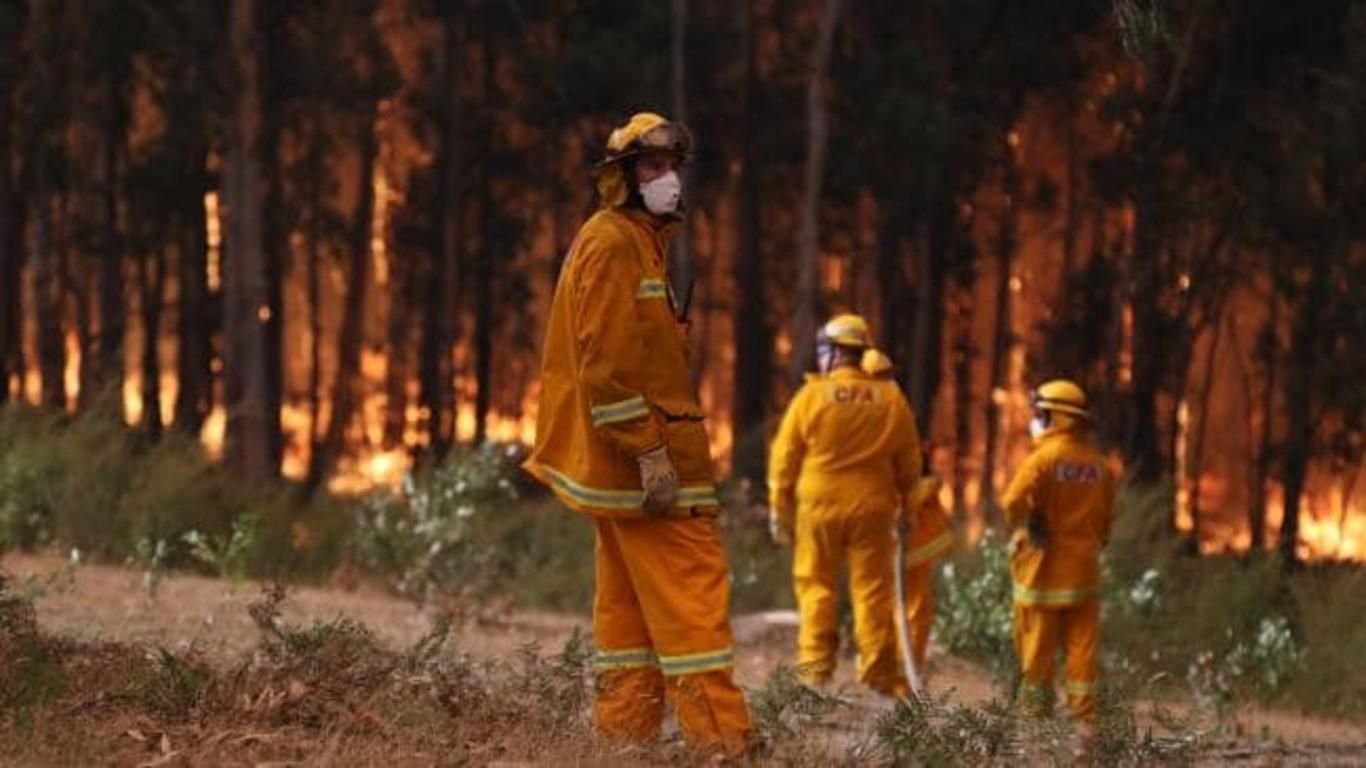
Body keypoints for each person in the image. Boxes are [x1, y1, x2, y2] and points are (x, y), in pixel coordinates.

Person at [522, 112, 752, 755]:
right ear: (620, 178)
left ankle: (624, 743)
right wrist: (650, 451)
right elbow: (607, 366)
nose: (668, 179)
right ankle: (727, 746)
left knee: (627, 614)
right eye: (652, 167)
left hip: (635, 468)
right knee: (693, 604)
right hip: (653, 467)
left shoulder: (638, 241)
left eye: (672, 166)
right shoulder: (611, 242)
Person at [767, 316, 923, 696]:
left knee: (816, 585)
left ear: (836, 353)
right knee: (871, 591)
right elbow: (909, 462)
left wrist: (779, 508)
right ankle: (877, 680)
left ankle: (815, 675)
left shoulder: (811, 397)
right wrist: (909, 508)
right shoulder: (890, 398)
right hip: (873, 507)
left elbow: (784, 458)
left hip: (818, 507)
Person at [1001, 379, 1115, 726]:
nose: (1036, 418)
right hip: (1084, 571)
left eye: (1041, 413)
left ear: (1057, 418)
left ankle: (1036, 723)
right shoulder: (1099, 465)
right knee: (1083, 651)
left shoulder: (1043, 460)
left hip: (1043, 571)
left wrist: (1030, 520)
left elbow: (1011, 504)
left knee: (1037, 652)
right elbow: (1107, 520)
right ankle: (1085, 724)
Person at [862, 349, 952, 673]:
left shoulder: (864, 415)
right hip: (895, 523)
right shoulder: (894, 411)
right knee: (905, 603)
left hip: (889, 525)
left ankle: (891, 668)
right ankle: (896, 668)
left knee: (887, 600)